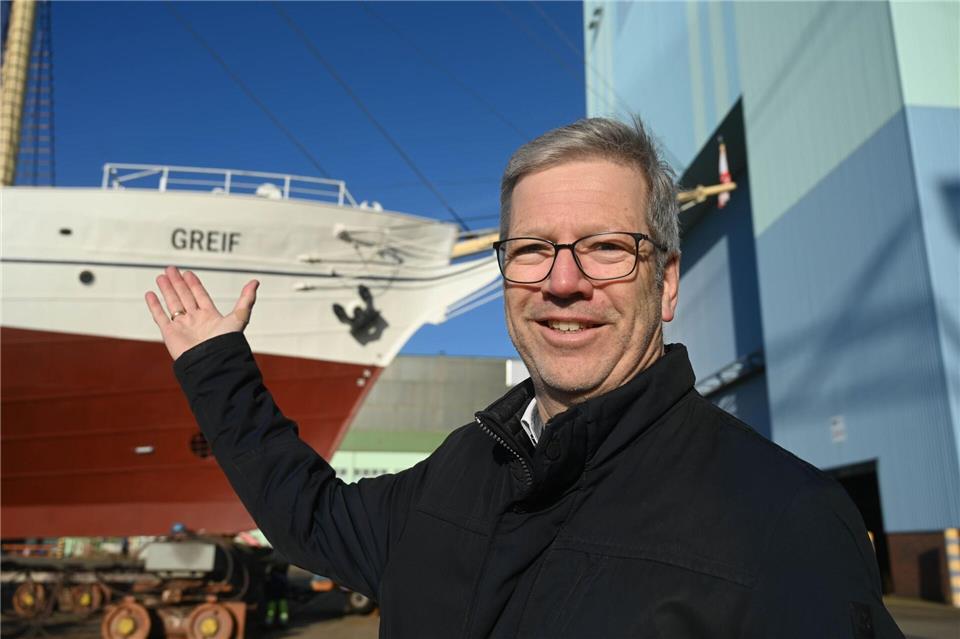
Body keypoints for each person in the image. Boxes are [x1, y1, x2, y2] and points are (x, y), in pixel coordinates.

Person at [145, 117, 903, 637]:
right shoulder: (458, 471)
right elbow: (313, 518)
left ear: (667, 282)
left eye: (606, 247)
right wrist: (217, 369)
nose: (563, 282)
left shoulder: (788, 522)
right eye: (534, 249)